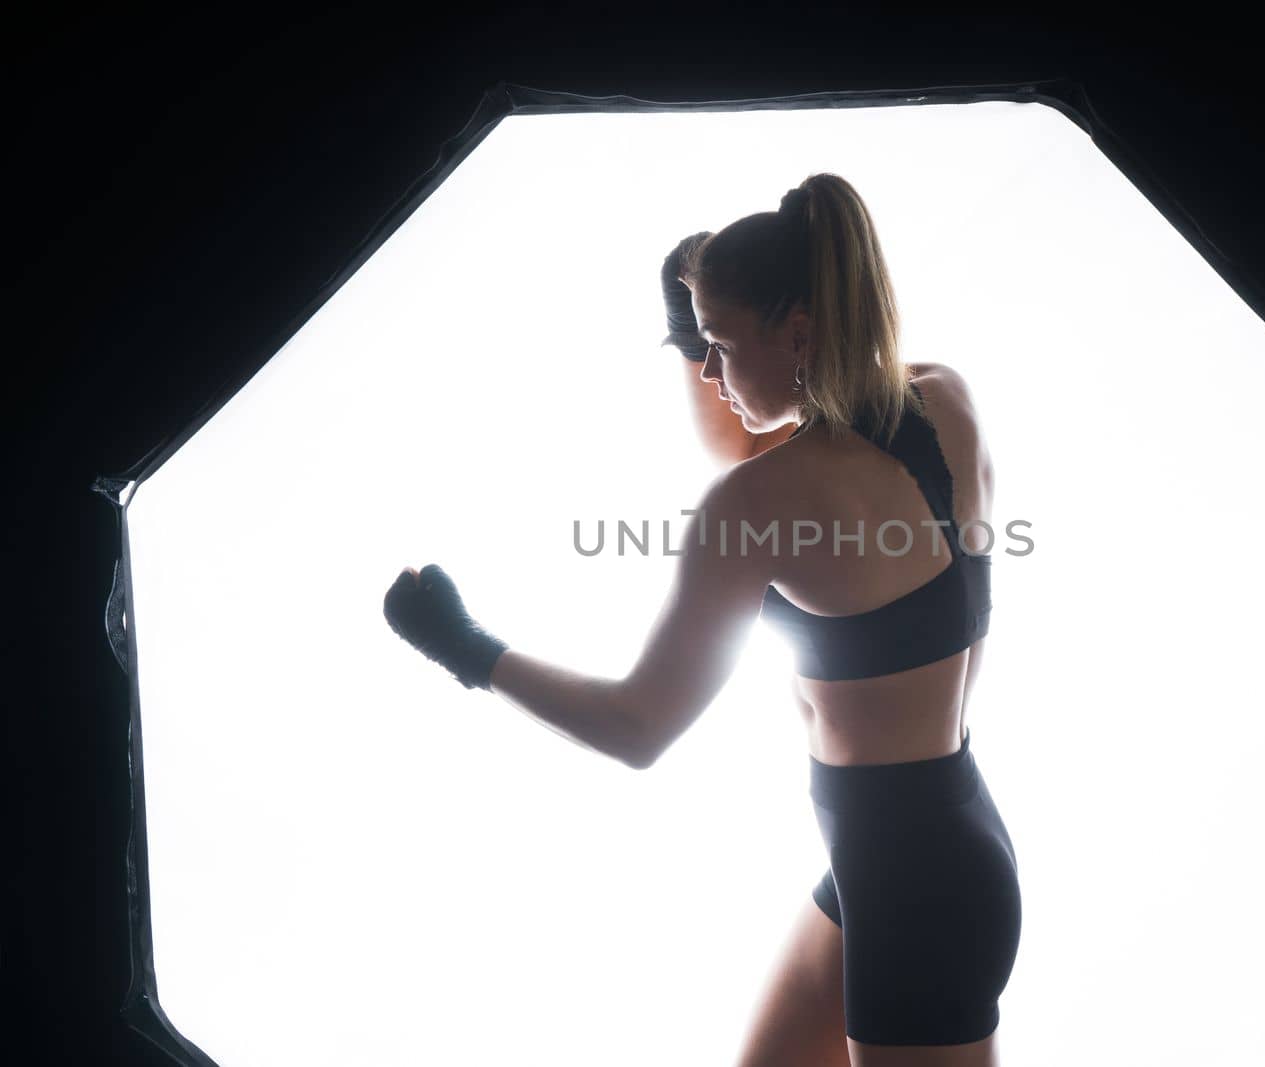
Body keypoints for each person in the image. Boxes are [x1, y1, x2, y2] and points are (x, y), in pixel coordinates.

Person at [383, 173, 1020, 1067]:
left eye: (716, 344)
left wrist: (466, 648)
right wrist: (702, 320)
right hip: (926, 845)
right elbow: (773, 433)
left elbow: (637, 726)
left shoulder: (753, 505)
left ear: (797, 331)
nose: (709, 374)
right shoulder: (942, 398)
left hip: (914, 890)